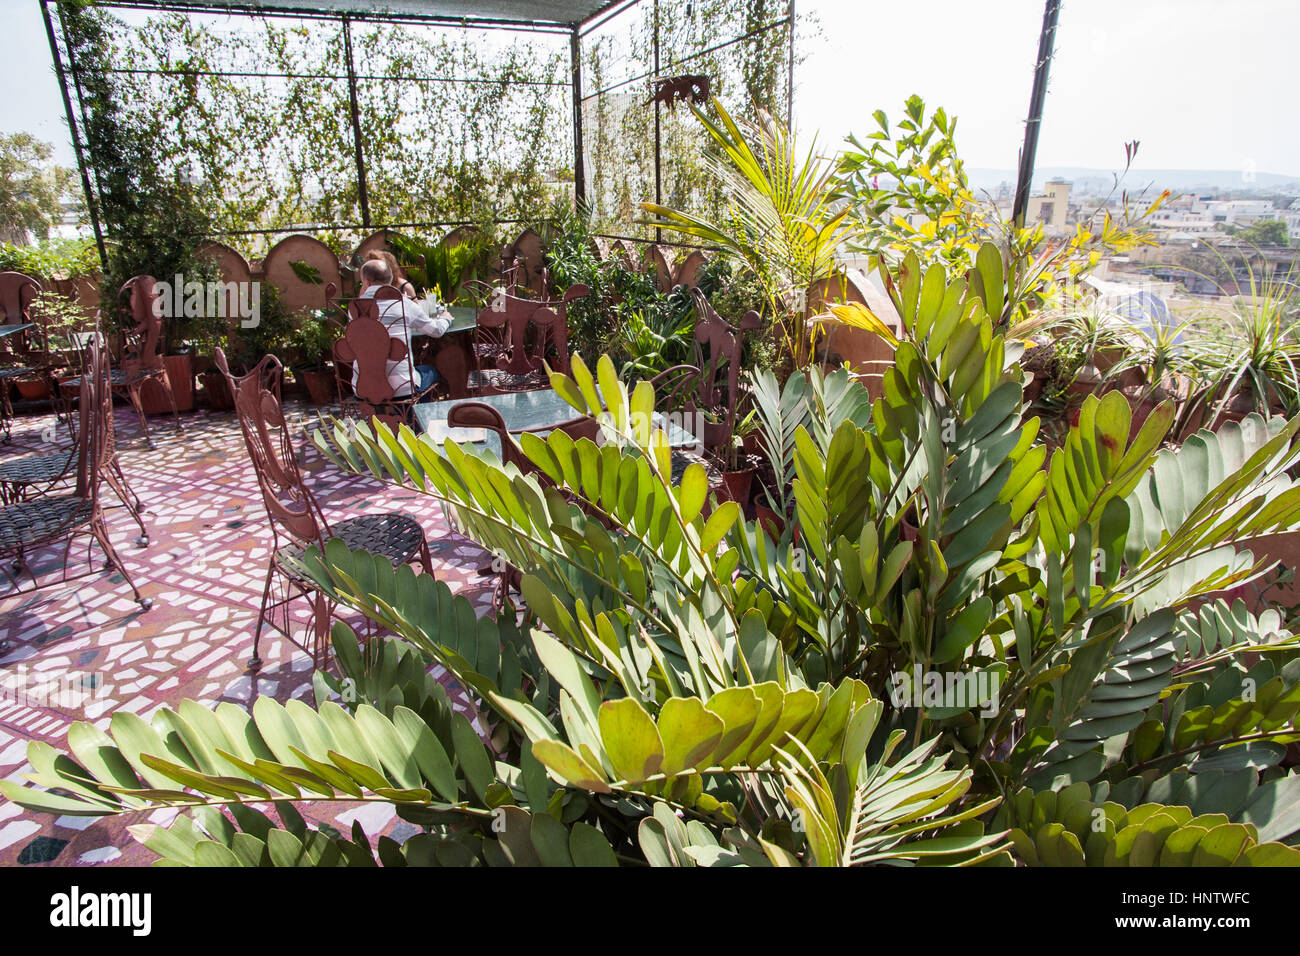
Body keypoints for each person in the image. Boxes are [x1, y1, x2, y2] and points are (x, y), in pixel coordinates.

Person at [353, 257, 449, 399]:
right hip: (401, 387)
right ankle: (417, 418)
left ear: (366, 282)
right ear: (391, 279)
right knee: (430, 371)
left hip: (362, 387)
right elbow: (436, 331)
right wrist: (445, 318)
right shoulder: (403, 303)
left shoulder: (354, 308)